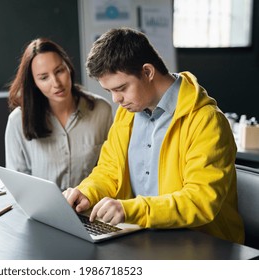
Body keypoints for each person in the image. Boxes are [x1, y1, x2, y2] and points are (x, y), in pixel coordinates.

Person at [63, 27, 244, 244]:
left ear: (148, 72)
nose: (115, 99)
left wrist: (130, 209)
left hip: (203, 246)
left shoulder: (207, 121)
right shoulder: (127, 113)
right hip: (144, 238)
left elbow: (200, 200)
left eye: (121, 88)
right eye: (109, 91)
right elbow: (110, 171)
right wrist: (87, 192)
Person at [6, 38, 113, 190]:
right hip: (42, 211)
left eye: (59, 71)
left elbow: (111, 170)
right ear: (34, 83)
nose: (56, 83)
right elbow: (16, 183)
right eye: (44, 77)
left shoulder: (101, 110)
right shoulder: (18, 121)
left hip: (91, 209)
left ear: (68, 67)